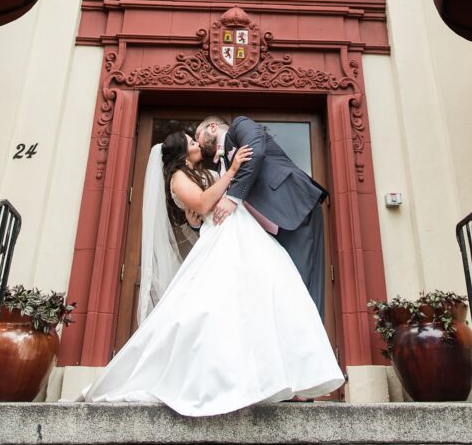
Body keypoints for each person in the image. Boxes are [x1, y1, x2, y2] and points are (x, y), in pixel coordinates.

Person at [82, 130, 344, 416]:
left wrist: (228, 175)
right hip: (222, 237)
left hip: (241, 232)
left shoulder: (202, 171)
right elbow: (205, 204)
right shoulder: (178, 178)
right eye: (191, 142)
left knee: (264, 298)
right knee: (213, 308)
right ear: (182, 153)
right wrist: (231, 170)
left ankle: (270, 377)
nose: (197, 144)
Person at [196, 115, 328, 317]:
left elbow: (256, 153)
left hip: (291, 207)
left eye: (198, 137)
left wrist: (232, 197)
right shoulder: (220, 167)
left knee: (302, 283)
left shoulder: (240, 126)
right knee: (280, 288)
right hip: (264, 232)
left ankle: (309, 344)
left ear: (212, 127)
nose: (198, 144)